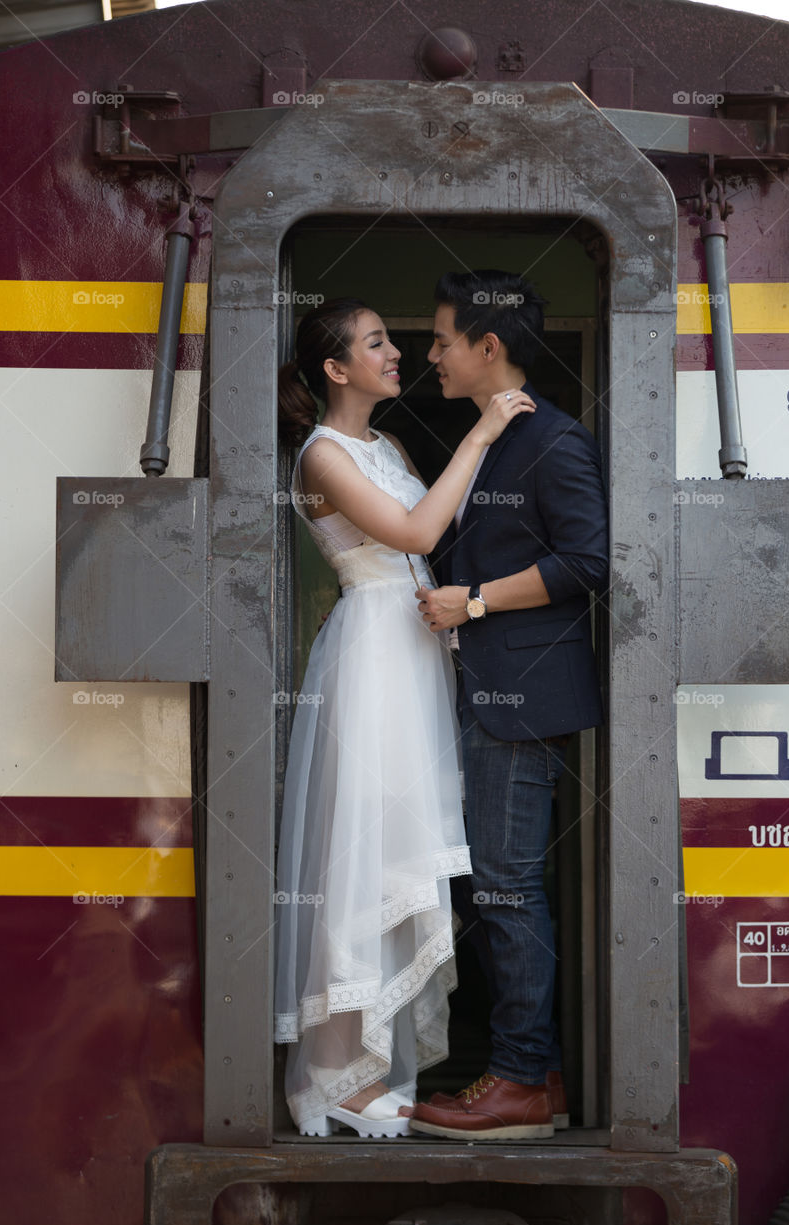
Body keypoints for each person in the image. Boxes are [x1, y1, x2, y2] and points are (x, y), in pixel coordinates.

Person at [272, 297, 535, 1138]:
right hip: (373, 658)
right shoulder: (321, 454)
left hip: (414, 655)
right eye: (378, 343)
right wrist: (481, 434)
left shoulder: (384, 443)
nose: (398, 355)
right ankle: (334, 1078)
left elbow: (431, 542)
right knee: (365, 847)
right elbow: (417, 526)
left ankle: (372, 1066)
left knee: (399, 846)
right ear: (335, 369)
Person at [408, 269, 609, 1141]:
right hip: (485, 694)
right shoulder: (490, 436)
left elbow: (589, 564)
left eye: (442, 339)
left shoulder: (554, 442)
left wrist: (476, 600)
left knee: (505, 890)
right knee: (495, 886)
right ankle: (535, 1076)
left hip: (519, 702)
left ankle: (521, 1081)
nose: (431, 355)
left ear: (489, 348)